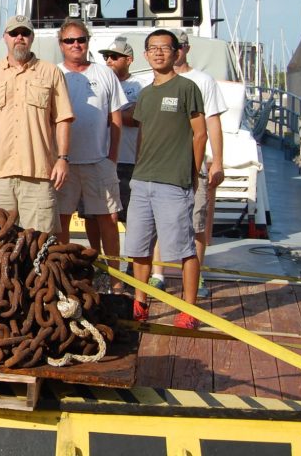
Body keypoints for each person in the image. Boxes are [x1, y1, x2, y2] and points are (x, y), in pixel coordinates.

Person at [126, 30, 207, 329]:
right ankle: (140, 301)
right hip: (142, 181)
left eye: (165, 48)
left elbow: (200, 133)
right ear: (146, 55)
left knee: (183, 248)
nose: (159, 53)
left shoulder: (187, 88)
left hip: (174, 182)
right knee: (138, 247)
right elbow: (143, 136)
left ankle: (189, 309)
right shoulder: (145, 94)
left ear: (176, 53)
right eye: (153, 48)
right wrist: (137, 170)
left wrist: (193, 172)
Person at [0, 15, 74, 239]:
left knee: (40, 243)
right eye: (14, 33)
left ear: (32, 38)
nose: (19, 38)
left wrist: (63, 158)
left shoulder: (51, 72)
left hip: (39, 175)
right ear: (5, 38)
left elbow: (62, 119)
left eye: (24, 33)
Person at [146, 30, 227, 299]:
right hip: (160, 166)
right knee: (158, 222)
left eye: (176, 46)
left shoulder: (202, 81)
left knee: (197, 223)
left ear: (185, 49)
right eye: (165, 46)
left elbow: (212, 123)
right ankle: (158, 274)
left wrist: (217, 161)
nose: (172, 51)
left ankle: (197, 274)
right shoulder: (156, 81)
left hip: (192, 165)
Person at [55, 20, 126, 288]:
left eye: (81, 39)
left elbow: (116, 118)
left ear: (88, 41)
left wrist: (112, 156)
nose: (76, 45)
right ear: (60, 44)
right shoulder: (54, 73)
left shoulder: (105, 73)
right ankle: (61, 275)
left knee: (108, 219)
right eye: (69, 40)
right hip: (64, 164)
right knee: (60, 220)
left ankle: (115, 277)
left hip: (99, 161)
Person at [98, 36, 150, 223]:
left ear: (129, 60)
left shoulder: (141, 85)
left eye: (114, 56)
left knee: (132, 218)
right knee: (101, 216)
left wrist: (105, 113)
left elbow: (136, 118)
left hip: (129, 161)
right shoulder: (101, 84)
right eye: (106, 57)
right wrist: (121, 111)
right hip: (102, 159)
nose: (109, 60)